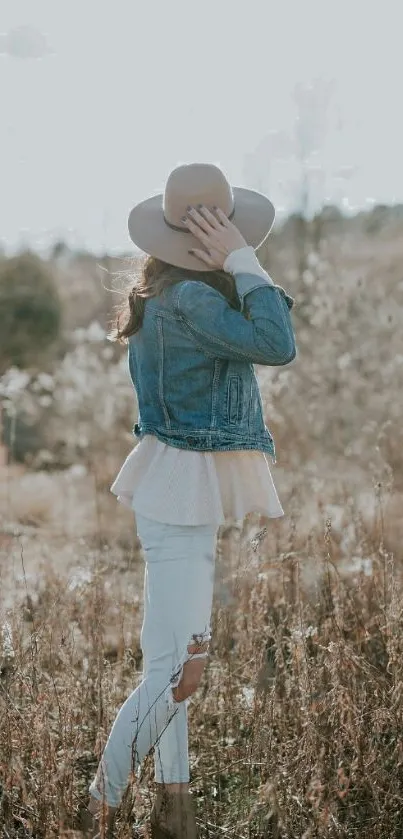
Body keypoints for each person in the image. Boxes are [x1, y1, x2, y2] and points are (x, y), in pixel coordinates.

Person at [81, 163, 297, 838]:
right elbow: (276, 343)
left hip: (175, 485)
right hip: (181, 490)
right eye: (229, 232)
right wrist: (242, 260)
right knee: (181, 669)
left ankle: (173, 807)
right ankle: (99, 805)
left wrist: (231, 262)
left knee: (170, 662)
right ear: (210, 237)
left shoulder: (166, 294)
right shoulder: (196, 302)